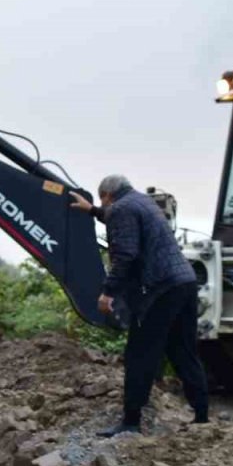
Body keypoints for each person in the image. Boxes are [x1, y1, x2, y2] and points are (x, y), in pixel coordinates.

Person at [69, 175, 209, 438]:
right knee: (183, 350)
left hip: (159, 289)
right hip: (184, 283)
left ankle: (131, 422)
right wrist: (93, 211)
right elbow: (122, 220)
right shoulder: (142, 202)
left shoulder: (121, 209)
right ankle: (202, 416)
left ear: (107, 195)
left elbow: (125, 254)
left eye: (102, 201)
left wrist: (108, 292)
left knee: (139, 353)